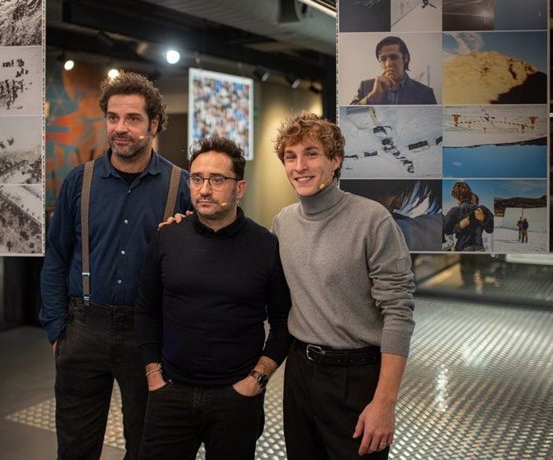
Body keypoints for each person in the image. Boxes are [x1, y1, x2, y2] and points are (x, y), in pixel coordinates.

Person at [39, 71, 192, 460]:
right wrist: (57, 328)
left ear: (154, 123)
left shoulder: (182, 187)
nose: (120, 128)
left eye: (133, 119)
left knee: (146, 445)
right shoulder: (79, 181)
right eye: (113, 117)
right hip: (82, 329)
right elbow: (56, 255)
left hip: (148, 335)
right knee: (75, 446)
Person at [134, 136, 291, 460]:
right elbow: (146, 311)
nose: (204, 189)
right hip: (170, 393)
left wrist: (256, 380)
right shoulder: (167, 238)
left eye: (217, 180)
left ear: (240, 188)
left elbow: (283, 323)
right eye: (197, 179)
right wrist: (153, 376)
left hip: (236, 399)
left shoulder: (265, 246)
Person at [271, 113, 415, 459]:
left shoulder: (372, 219)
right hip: (300, 374)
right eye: (291, 156)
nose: (299, 166)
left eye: (311, 154)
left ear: (335, 161)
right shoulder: (283, 223)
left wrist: (384, 403)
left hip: (356, 378)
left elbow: (398, 313)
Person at [351, 36, 437, 105]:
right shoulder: (365, 87)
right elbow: (347, 114)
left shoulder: (425, 93)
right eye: (383, 59)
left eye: (394, 57)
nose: (388, 64)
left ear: (405, 58)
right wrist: (372, 97)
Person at [443, 183, 494, 252]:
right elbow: (490, 229)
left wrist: (483, 219)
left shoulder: (455, 211)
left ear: (455, 197)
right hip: (478, 249)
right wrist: (459, 226)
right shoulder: (482, 209)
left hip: (463, 249)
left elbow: (444, 230)